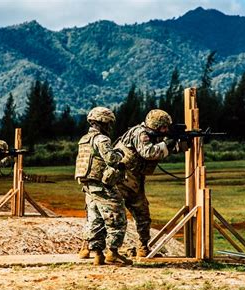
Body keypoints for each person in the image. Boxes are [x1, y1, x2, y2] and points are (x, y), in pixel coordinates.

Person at [114, 109, 187, 257]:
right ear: (155, 126)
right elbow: (149, 153)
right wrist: (168, 143)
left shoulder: (155, 136)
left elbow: (165, 149)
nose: (166, 130)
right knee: (113, 215)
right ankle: (94, 248)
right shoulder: (140, 133)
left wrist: (182, 143)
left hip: (135, 181)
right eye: (164, 127)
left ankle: (143, 247)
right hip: (121, 179)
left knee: (143, 215)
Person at [75, 106, 131, 266]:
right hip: (102, 185)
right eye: (109, 124)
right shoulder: (102, 139)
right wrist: (120, 152)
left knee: (95, 220)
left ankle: (98, 255)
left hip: (88, 186)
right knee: (117, 217)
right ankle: (113, 253)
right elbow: (112, 159)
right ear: (104, 123)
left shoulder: (84, 139)